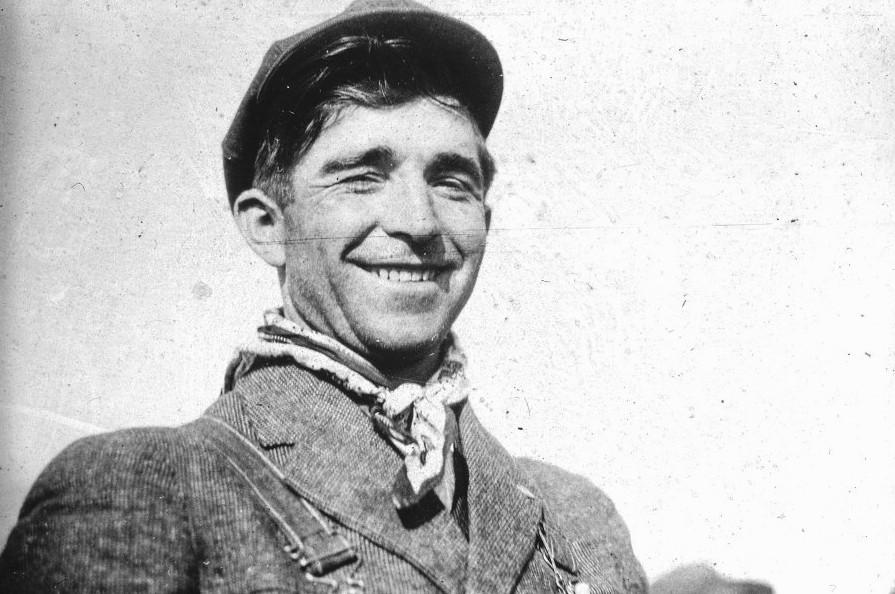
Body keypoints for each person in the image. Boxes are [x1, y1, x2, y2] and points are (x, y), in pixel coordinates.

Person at [0, 1, 647, 592]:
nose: (418, 223)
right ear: (268, 226)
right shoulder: (152, 489)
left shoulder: (578, 522)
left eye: (451, 182)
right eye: (363, 177)